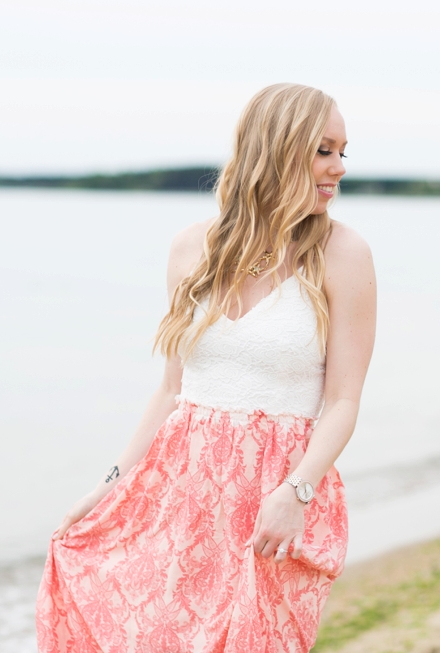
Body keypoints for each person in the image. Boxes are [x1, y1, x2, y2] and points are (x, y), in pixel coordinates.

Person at [36, 83, 376, 653]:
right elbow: (172, 390)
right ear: (277, 148)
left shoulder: (345, 254)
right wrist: (107, 488)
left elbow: (343, 400)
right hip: (177, 493)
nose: (339, 167)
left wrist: (296, 491)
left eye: (344, 151)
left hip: (275, 494)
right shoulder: (191, 248)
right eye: (324, 150)